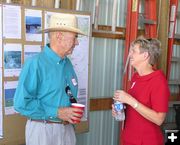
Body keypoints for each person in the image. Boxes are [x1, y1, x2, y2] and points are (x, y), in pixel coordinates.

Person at [14, 13, 86, 145]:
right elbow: (21, 103)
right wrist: (57, 112)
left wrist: (71, 111)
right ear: (59, 36)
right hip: (43, 130)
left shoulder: (68, 64)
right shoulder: (35, 64)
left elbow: (68, 94)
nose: (77, 42)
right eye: (75, 37)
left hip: (67, 130)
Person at [112, 36, 170, 145]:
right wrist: (120, 109)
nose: (130, 55)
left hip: (147, 141)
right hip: (129, 139)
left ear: (145, 55)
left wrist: (131, 101)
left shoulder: (158, 81)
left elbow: (159, 119)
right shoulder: (136, 77)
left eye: (133, 51)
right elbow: (135, 108)